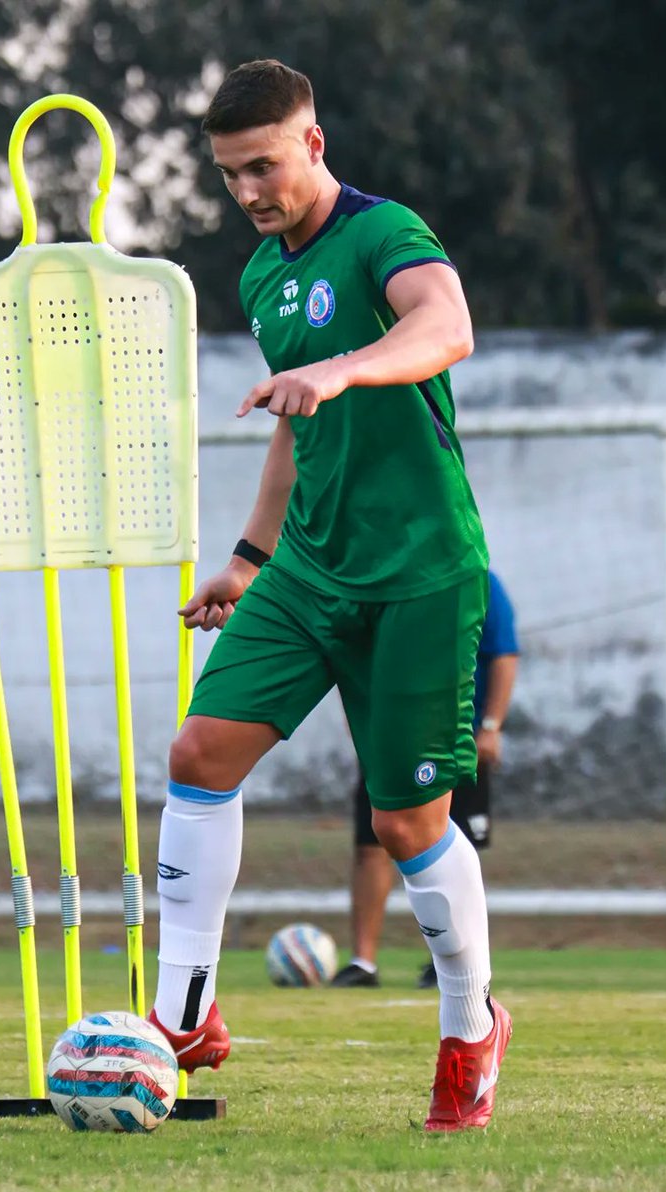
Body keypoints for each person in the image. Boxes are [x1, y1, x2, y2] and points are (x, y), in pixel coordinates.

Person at [146, 59, 512, 1132]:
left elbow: (447, 327)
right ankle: (184, 1017)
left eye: (263, 165)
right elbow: (298, 435)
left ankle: (467, 1028)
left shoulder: (384, 231)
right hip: (307, 570)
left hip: (420, 572)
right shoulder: (264, 276)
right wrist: (251, 559)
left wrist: (345, 367)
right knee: (198, 756)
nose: (250, 191)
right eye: (228, 175)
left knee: (408, 823)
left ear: (312, 141)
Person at [331, 570, 519, 989]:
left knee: (454, 847)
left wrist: (490, 725)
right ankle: (364, 962)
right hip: (389, 736)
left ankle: (453, 960)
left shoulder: (480, 582)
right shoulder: (377, 580)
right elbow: (353, 654)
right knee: (371, 846)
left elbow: (504, 653)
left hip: (454, 738)